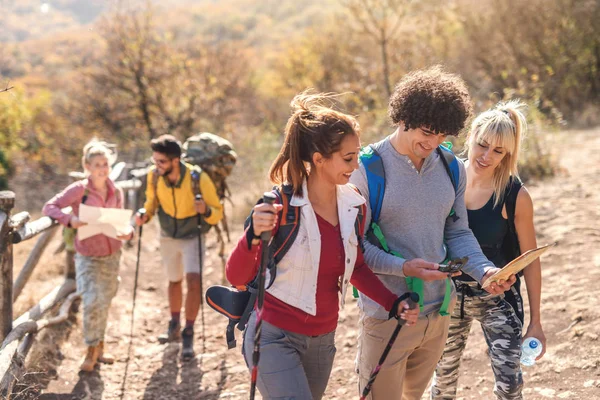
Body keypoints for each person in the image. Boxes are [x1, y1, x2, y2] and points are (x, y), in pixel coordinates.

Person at [226, 91, 420, 400]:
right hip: (273, 336)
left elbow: (355, 267)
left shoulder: (354, 205)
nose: (356, 164)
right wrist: (251, 237)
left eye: (357, 155)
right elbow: (236, 276)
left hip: (323, 340)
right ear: (319, 159)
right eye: (348, 158)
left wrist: (393, 303)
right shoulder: (279, 207)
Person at [349, 66, 516, 400]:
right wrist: (403, 268)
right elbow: (355, 247)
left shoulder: (451, 166)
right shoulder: (366, 169)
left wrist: (484, 271)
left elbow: (457, 232)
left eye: (442, 135)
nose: (433, 142)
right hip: (387, 314)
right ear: (403, 117)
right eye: (427, 131)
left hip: (440, 312)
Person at [431, 100, 546, 400]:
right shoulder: (442, 177)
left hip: (498, 298)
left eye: (498, 151)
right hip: (448, 294)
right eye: (482, 145)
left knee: (510, 388)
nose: (486, 156)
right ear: (470, 136)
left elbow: (530, 261)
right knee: (441, 385)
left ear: (507, 154)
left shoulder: (515, 195)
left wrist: (536, 321)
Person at [43, 139, 133, 372]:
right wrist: (70, 220)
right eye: (97, 164)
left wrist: (128, 232)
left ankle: (100, 347)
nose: (102, 168)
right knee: (91, 300)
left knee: (103, 302)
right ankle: (90, 350)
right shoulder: (79, 189)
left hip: (113, 254)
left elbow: (122, 221)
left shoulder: (117, 190)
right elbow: (50, 207)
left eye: (105, 163)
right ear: (87, 166)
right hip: (87, 256)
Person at [134, 134, 223, 360]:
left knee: (194, 281)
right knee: (174, 280)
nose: (156, 166)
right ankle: (174, 324)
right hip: (168, 234)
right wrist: (145, 214)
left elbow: (217, 212)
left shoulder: (197, 177)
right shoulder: (154, 177)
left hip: (193, 234)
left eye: (161, 161)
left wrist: (204, 210)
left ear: (175, 161)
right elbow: (151, 203)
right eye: (155, 161)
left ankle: (188, 331)